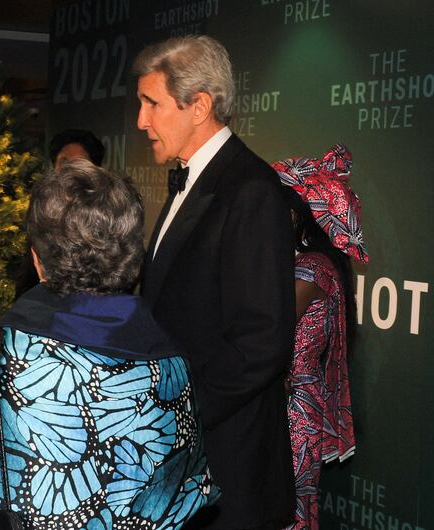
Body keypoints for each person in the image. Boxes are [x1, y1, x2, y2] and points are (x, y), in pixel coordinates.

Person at [0, 159, 220, 529]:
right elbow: (189, 495)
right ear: (133, 263)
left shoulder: (0, 353)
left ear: (38, 261)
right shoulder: (173, 363)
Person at [134, 35, 296, 530]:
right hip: (189, 464)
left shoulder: (250, 191)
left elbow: (262, 342)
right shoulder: (191, 179)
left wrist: (173, 415)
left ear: (199, 105)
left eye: (152, 104)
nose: (141, 121)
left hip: (229, 466)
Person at [272, 145, 365, 530]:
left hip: (296, 414)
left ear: (294, 215)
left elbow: (268, 324)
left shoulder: (313, 268)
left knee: (288, 514)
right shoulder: (302, 265)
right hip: (287, 407)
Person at [15, 129, 106, 297]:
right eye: (63, 162)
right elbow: (28, 272)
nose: (70, 169)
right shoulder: (42, 208)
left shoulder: (108, 212)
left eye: (79, 162)